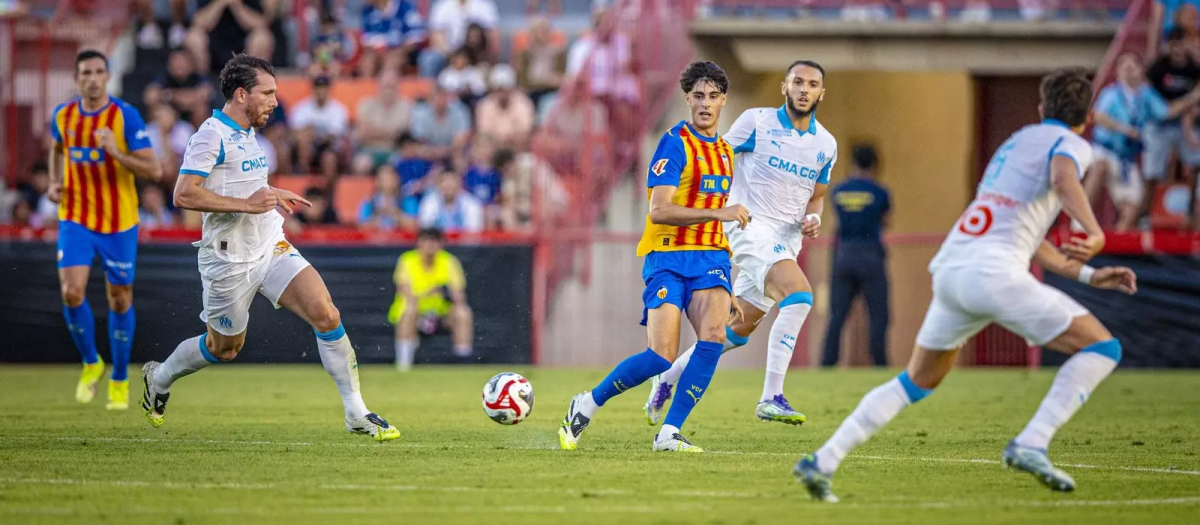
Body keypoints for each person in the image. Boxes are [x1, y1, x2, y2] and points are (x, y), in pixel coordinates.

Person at [795, 69, 1139, 502]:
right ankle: (1032, 442)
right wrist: (1096, 233)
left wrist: (1089, 275)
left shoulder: (1012, 146)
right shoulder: (1071, 145)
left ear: (1040, 109)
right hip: (992, 272)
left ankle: (823, 460)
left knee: (914, 382)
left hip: (955, 268)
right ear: (1088, 117)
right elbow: (1063, 178)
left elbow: (1031, 240)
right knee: (1102, 348)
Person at [141, 54, 401, 442]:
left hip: (269, 243)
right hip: (228, 258)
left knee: (326, 314)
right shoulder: (210, 134)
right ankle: (159, 376)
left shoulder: (249, 133)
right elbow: (184, 194)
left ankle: (356, 412)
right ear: (242, 94)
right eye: (268, 93)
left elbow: (241, 185)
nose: (275, 101)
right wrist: (247, 204)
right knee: (224, 348)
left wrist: (267, 194)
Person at [557, 61, 750, 453]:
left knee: (713, 337)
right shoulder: (674, 143)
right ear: (687, 99)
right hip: (667, 257)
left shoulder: (728, 152)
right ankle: (588, 403)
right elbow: (658, 210)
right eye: (698, 95)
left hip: (711, 257)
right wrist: (719, 213)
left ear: (724, 101)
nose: (706, 103)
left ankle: (669, 432)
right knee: (662, 356)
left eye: (714, 96)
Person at [645, 60, 836, 427]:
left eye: (812, 84)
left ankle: (666, 379)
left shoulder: (826, 144)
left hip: (786, 240)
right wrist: (711, 210)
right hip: (749, 226)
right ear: (784, 86)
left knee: (736, 330)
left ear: (820, 93)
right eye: (797, 81)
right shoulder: (756, 122)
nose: (803, 89)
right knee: (799, 296)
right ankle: (771, 397)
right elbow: (715, 159)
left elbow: (817, 195)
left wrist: (815, 217)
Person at [47, 50, 163, 410]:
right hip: (76, 218)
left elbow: (154, 170)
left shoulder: (124, 116)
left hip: (119, 222)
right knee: (71, 292)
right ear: (77, 78)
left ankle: (118, 377)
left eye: (99, 71)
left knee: (119, 299)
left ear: (108, 76)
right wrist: (54, 181)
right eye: (86, 73)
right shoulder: (63, 116)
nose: (93, 78)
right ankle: (91, 362)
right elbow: (56, 147)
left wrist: (115, 151)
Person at [821, 144, 891, 367]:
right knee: (878, 314)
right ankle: (879, 363)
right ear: (874, 165)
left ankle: (827, 363)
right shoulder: (880, 192)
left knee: (837, 314)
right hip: (870, 254)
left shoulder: (838, 191)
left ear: (852, 163)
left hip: (844, 254)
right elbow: (886, 221)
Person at [388, 227, 473, 371]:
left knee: (463, 312)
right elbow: (405, 293)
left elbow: (459, 296)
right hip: (415, 315)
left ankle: (462, 361)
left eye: (435, 241)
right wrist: (430, 292)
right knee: (409, 309)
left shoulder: (449, 261)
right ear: (419, 243)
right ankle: (403, 364)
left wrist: (447, 293)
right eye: (426, 241)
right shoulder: (407, 260)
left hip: (440, 315)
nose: (430, 245)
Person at [1141, 28, 1200, 224]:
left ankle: (1191, 212)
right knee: (1152, 173)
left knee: (1196, 163)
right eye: (1173, 44)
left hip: (1183, 126)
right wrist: (1187, 101)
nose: (1177, 49)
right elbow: (1162, 109)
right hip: (1159, 126)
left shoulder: (1193, 68)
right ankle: (1145, 215)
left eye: (1181, 44)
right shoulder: (1159, 68)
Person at [1087, 54, 1152, 231]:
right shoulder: (1111, 93)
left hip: (1126, 158)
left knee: (1132, 207)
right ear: (1118, 72)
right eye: (1126, 69)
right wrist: (1125, 129)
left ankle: (1116, 239)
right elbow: (1097, 116)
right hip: (1105, 150)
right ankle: (1077, 224)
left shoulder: (1146, 96)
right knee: (1100, 168)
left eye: (1133, 68)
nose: (1130, 73)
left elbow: (1164, 113)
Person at [353, 70, 415, 175]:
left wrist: (374, 131)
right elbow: (363, 134)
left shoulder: (406, 106)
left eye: (392, 87)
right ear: (378, 86)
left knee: (406, 166)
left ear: (398, 87)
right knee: (361, 164)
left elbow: (404, 136)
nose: (389, 91)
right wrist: (393, 132)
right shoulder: (366, 104)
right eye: (386, 86)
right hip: (370, 150)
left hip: (395, 150)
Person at [291, 76, 350, 183]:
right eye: (318, 88)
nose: (321, 91)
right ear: (313, 89)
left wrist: (314, 134)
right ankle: (303, 185)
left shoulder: (338, 109)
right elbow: (295, 131)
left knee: (329, 159)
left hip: (328, 148)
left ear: (329, 90)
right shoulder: (302, 107)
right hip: (306, 147)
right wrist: (309, 135)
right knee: (304, 145)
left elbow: (334, 135)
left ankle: (328, 195)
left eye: (324, 88)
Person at [417, 167, 485, 233]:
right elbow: (427, 230)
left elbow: (473, 231)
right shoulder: (429, 202)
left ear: (460, 184)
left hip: (464, 243)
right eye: (445, 181)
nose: (448, 185)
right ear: (438, 185)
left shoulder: (472, 204)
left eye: (452, 181)